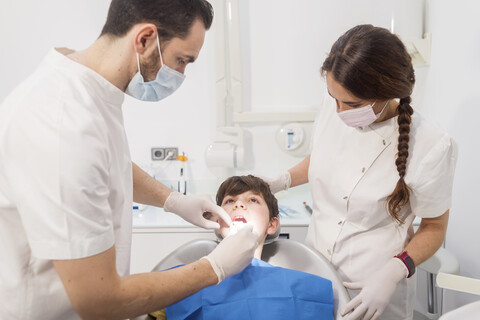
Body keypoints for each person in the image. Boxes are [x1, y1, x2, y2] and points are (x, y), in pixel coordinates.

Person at [0, 1, 258, 319]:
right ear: (145, 39)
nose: (180, 75)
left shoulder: (90, 86)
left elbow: (109, 163)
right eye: (181, 61)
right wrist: (215, 268)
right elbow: (99, 301)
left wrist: (173, 200)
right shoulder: (62, 125)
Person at [263, 24, 457, 320]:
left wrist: (396, 269)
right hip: (315, 271)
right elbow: (325, 158)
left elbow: (434, 227)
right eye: (333, 98)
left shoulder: (431, 145)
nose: (339, 111)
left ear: (388, 93)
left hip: (374, 289)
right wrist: (281, 180)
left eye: (352, 104)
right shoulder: (336, 104)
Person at [150, 175, 334, 320]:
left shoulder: (305, 288)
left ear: (272, 224)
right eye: (229, 201)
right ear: (217, 219)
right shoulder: (179, 283)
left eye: (253, 200)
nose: (239, 204)